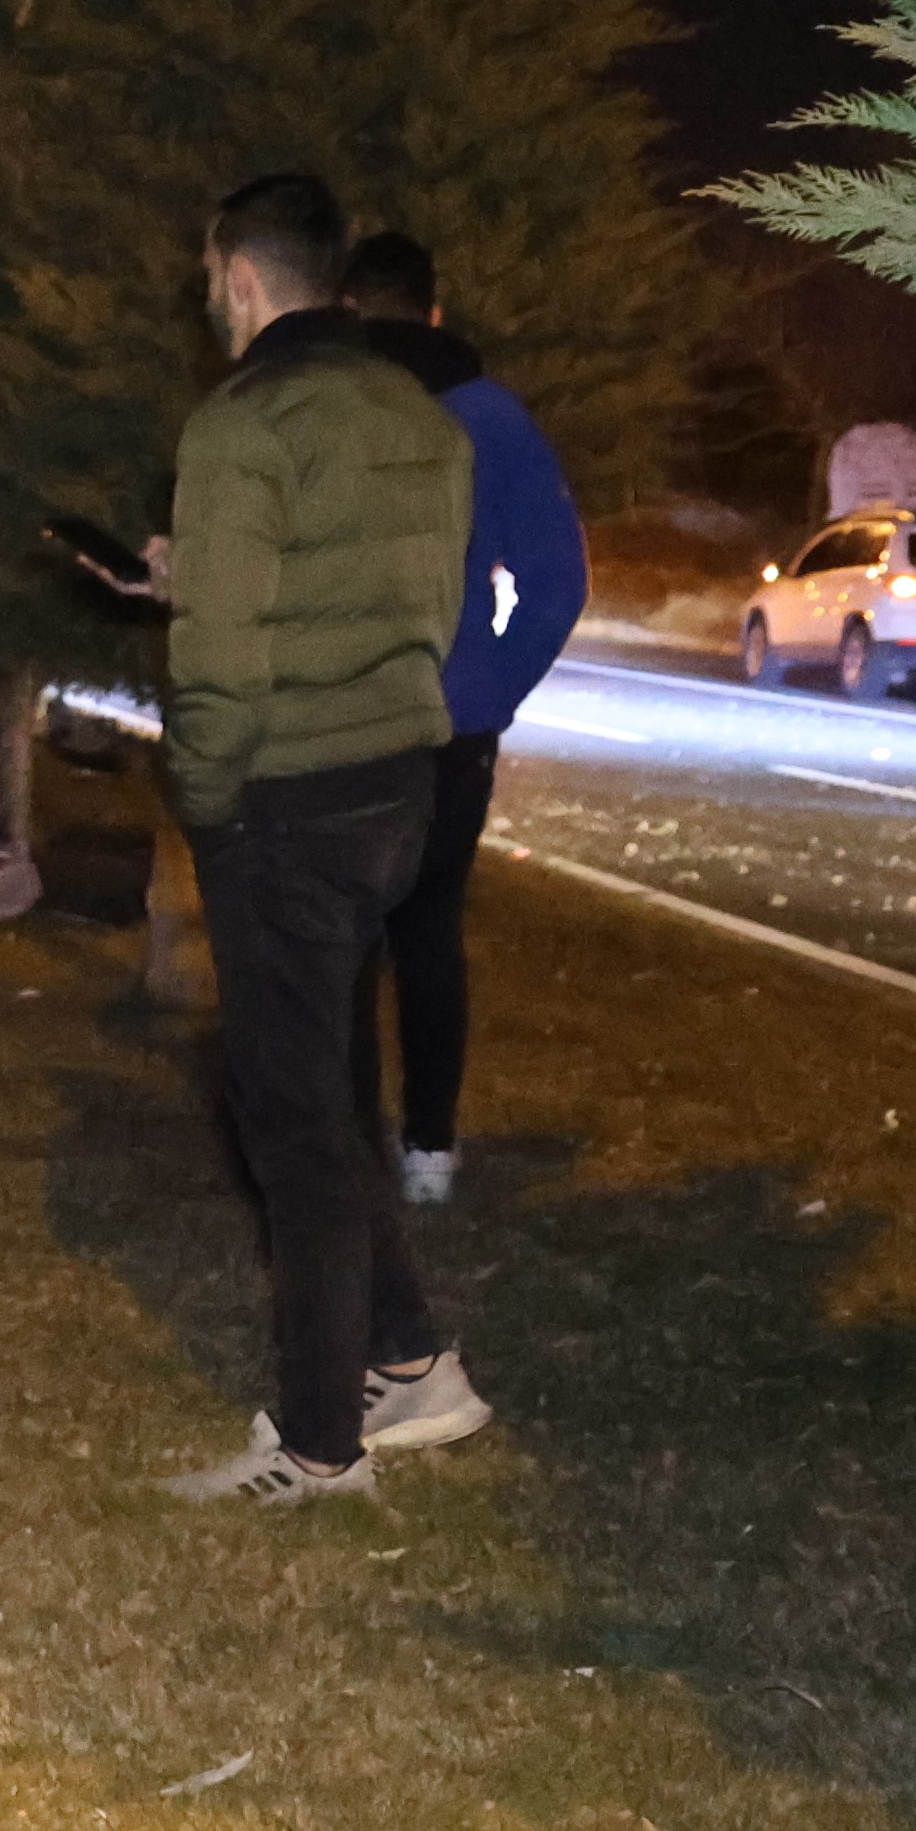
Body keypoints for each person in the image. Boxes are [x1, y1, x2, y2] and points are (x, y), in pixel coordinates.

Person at [156, 173, 483, 1510]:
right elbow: (431, 598)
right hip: (400, 784)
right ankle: (412, 1362)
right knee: (329, 1097)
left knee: (289, 1117)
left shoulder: (243, 425)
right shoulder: (422, 411)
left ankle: (317, 1443)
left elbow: (222, 661)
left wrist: (202, 791)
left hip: (286, 801)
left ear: (241, 279)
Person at [337, 231, 585, 1205]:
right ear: (433, 312)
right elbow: (557, 581)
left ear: (346, 311)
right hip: (452, 726)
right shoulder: (492, 417)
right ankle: (429, 1146)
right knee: (428, 931)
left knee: (343, 930)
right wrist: (492, 685)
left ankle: (346, 1137)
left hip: (347, 716)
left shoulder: (327, 413)